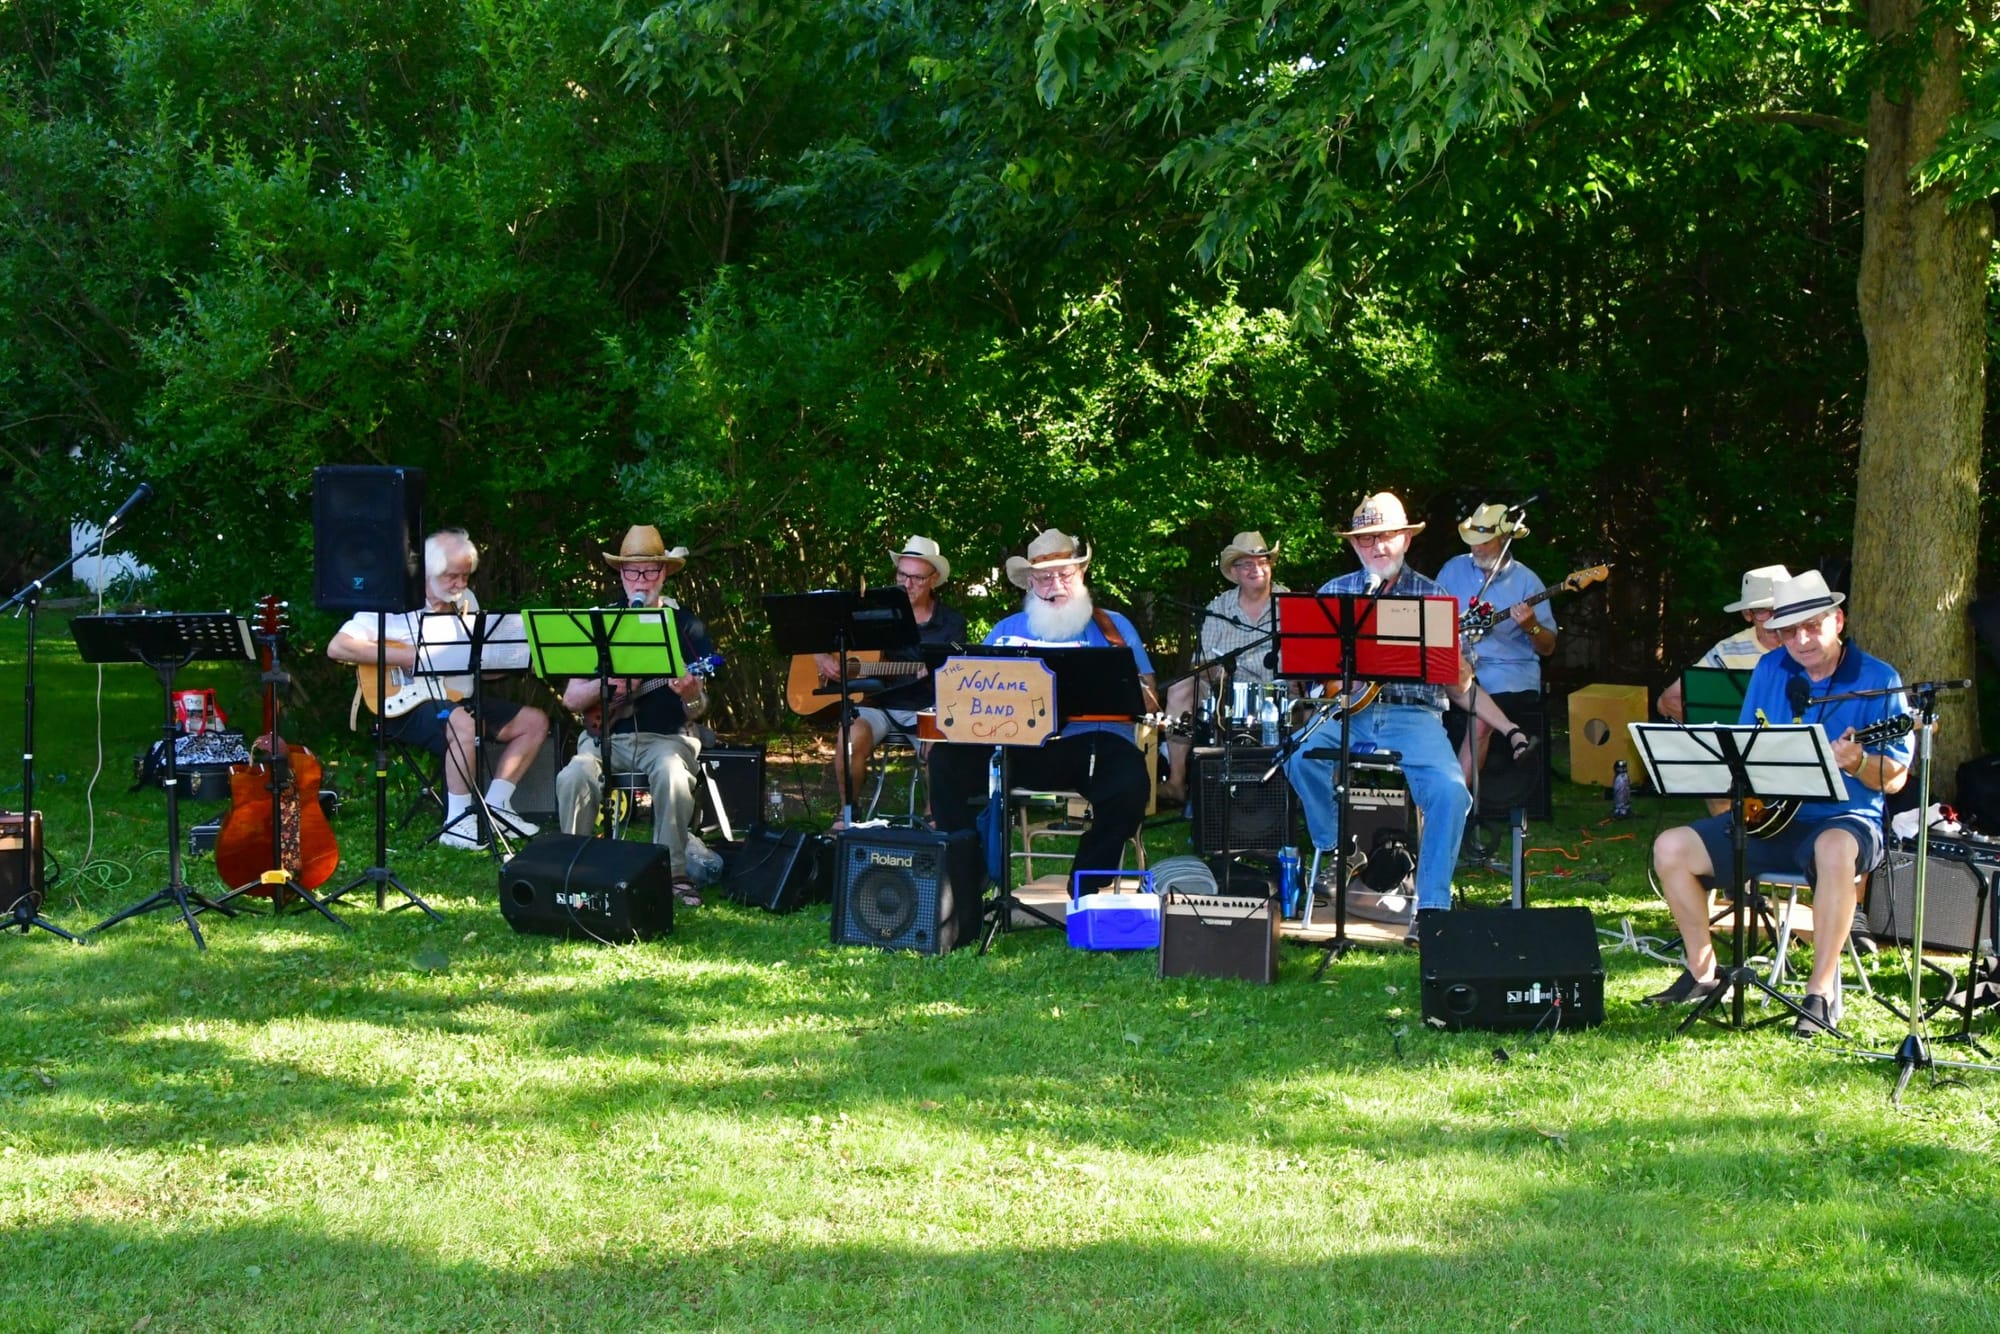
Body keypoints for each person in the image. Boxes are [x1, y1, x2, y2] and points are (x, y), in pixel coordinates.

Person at [1645, 569, 1910, 1036]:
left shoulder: (1879, 679)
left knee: (1833, 848)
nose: (1800, 640)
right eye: (1789, 631)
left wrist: (1858, 762)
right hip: (1771, 819)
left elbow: (1896, 778)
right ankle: (1704, 973)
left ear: (1838, 621)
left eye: (1812, 627)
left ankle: (1819, 992)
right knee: (1671, 847)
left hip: (1844, 821)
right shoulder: (1771, 669)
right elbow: (1746, 746)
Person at [1284, 493, 1507, 941]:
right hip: (1346, 714)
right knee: (1298, 756)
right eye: (1366, 539)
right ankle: (1339, 846)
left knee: (1450, 791)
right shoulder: (1333, 594)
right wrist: (1327, 683)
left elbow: (1460, 685)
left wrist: (1457, 664)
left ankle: (1432, 907)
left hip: (1414, 716)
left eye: (1386, 536)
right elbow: (1304, 673)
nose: (1377, 546)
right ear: (1354, 545)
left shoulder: (1434, 596)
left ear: (1405, 539)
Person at [927, 528, 1156, 896]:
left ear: (1082, 573)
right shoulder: (1005, 631)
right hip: (1017, 746)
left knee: (1130, 781)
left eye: (1065, 574)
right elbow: (970, 695)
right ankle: (965, 874)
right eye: (1045, 578)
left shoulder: (1113, 627)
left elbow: (1150, 701)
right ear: (1030, 582)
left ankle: (1087, 883)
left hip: (1091, 745)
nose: (1056, 585)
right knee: (946, 760)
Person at [328, 528, 550, 851]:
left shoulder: (466, 602)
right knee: (463, 724)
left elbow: (474, 666)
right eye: (452, 576)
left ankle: (497, 808)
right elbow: (338, 647)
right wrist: (409, 657)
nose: (460, 584)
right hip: (404, 705)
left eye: (465, 576)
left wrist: (516, 660)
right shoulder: (391, 601)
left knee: (534, 722)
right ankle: (457, 823)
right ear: (428, 573)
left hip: (457, 697)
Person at [554, 525, 716, 907]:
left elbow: (698, 709)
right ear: (621, 574)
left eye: (650, 571)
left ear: (664, 573)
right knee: (574, 774)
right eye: (632, 571)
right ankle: (574, 873)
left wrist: (692, 695)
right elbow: (572, 699)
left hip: (666, 739)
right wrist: (612, 685)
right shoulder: (600, 623)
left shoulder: (685, 625)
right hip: (603, 738)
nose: (641, 580)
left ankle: (672, 875)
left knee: (673, 775)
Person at [814, 536, 968, 815]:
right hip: (876, 704)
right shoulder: (875, 612)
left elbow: (959, 674)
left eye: (917, 578)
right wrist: (820, 656)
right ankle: (847, 814)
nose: (907, 584)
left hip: (927, 707)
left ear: (934, 579)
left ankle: (935, 821)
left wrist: (939, 671)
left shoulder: (952, 623)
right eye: (902, 575)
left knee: (940, 749)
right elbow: (814, 632)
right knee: (849, 739)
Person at [1159, 532, 1287, 806]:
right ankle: (1177, 782)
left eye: (1262, 562)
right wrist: (1218, 674)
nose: (1256, 569)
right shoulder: (1218, 607)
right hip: (1223, 691)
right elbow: (1201, 662)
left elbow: (1308, 659)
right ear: (1235, 572)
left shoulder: (1290, 603)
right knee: (1180, 688)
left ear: (1270, 565)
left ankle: (1308, 789)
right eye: (1247, 564)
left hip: (1278, 693)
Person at [1436, 502, 1552, 782]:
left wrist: (1531, 626)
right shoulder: (1453, 569)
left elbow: (1548, 648)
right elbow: (1432, 619)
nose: (1476, 548)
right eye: (1472, 541)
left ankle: (1457, 801)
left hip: (1508, 672)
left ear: (1503, 539)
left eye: (1485, 542)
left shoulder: (1528, 582)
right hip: (1457, 667)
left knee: (1480, 722)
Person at [1656, 564, 1791, 724]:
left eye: (1780, 609)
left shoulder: (1807, 645)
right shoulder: (1728, 650)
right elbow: (1667, 701)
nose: (1773, 619)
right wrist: (1723, 733)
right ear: (1747, 614)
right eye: (1762, 611)